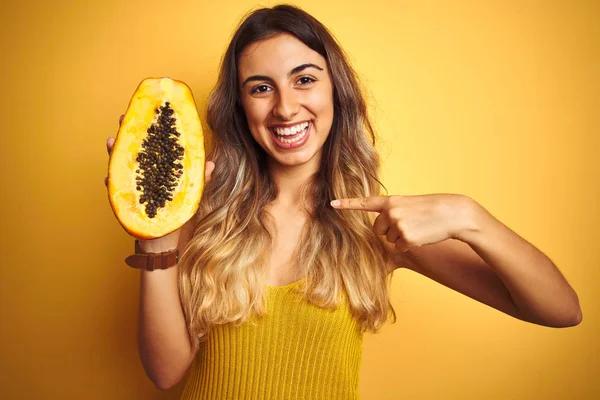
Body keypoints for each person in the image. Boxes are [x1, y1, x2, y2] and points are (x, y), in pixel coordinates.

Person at [104, 4, 582, 399]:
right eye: (261, 88)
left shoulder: (378, 228)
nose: (286, 107)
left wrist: (469, 216)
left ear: (337, 89)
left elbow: (560, 311)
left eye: (305, 79)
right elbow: (166, 373)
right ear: (240, 107)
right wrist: (154, 236)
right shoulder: (204, 212)